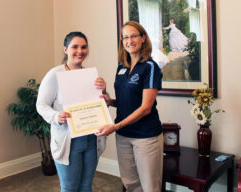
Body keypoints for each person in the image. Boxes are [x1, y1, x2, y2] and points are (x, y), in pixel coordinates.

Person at [96, 21, 164, 192]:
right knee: (131, 184)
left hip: (145, 136)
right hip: (123, 136)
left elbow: (145, 108)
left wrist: (115, 126)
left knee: (150, 187)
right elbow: (127, 101)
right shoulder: (121, 67)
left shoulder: (150, 67)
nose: (129, 40)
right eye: (125, 37)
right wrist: (110, 102)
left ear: (143, 38)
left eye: (134, 35)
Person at [36, 31, 106, 192]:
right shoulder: (55, 74)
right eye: (75, 47)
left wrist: (104, 90)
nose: (80, 51)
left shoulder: (90, 75)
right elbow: (41, 105)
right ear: (65, 49)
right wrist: (56, 116)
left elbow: (100, 104)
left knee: (86, 187)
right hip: (68, 141)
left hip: (90, 139)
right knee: (70, 188)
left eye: (84, 47)